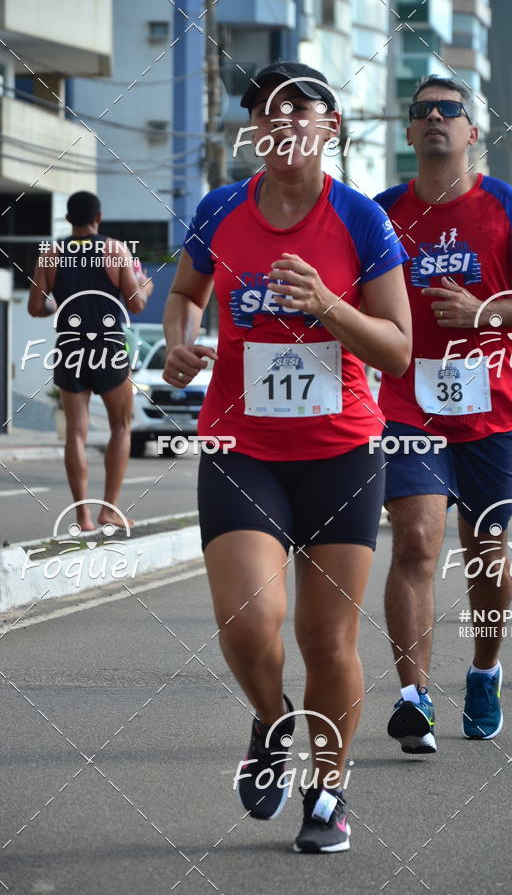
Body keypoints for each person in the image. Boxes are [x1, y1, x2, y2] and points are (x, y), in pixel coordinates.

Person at [162, 61, 411, 853]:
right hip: (243, 448)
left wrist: (328, 305)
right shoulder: (221, 210)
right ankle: (272, 725)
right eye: (263, 111)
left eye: (296, 107)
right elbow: (184, 294)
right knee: (247, 621)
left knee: (326, 640)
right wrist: (176, 346)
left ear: (329, 127)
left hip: (342, 453)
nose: (278, 121)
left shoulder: (363, 220)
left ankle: (328, 794)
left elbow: (399, 351)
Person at [374, 75, 512, 752]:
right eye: (422, 110)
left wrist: (485, 311)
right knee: (417, 541)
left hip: (493, 403)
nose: (435, 118)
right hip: (409, 400)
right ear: (407, 131)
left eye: (449, 110)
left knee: (485, 550)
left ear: (472, 131)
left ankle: (484, 671)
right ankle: (414, 699)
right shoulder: (380, 211)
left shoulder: (505, 208)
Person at [28, 191, 153, 531]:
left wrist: (59, 307)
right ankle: (108, 510)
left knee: (77, 433)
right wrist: (147, 283)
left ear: (69, 220)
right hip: (108, 347)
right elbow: (137, 302)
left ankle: (83, 516)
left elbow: (36, 307)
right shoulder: (114, 249)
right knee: (121, 426)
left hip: (70, 347)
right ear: (98, 217)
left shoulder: (51, 252)